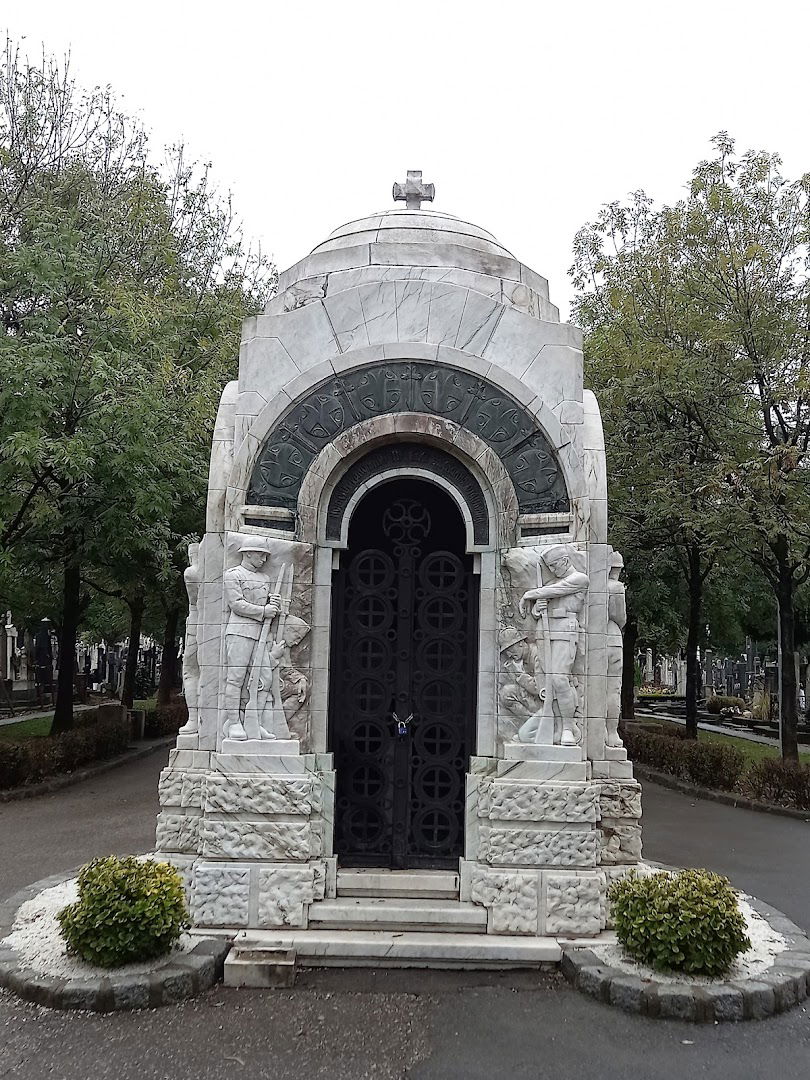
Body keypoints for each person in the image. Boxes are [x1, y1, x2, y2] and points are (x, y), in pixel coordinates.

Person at [517, 545, 588, 746]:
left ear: (566, 561)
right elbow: (539, 612)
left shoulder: (579, 579)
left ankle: (568, 728)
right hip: (545, 633)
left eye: (555, 566)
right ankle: (553, 726)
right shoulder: (550, 585)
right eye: (550, 567)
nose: (553, 570)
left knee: (559, 679)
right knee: (547, 682)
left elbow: (557, 591)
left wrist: (529, 595)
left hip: (565, 631)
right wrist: (537, 611)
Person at [223, 538, 281, 741]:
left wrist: (272, 603)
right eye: (260, 554)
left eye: (265, 555)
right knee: (237, 678)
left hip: (260, 634)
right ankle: (234, 723)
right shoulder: (233, 575)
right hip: (240, 632)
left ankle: (253, 722)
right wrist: (264, 610)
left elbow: (266, 605)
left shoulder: (265, 578)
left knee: (263, 679)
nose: (264, 559)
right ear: (247, 553)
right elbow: (236, 604)